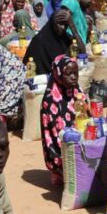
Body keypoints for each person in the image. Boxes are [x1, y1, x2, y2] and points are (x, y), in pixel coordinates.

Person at [41, 55, 81, 186]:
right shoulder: (50, 100)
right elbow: (54, 136)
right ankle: (59, 171)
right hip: (62, 145)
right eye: (69, 74)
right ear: (58, 74)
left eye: (76, 73)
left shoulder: (77, 92)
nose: (74, 77)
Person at [23, 9, 73, 75]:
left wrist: (72, 27)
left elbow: (82, 54)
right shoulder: (39, 41)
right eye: (60, 24)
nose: (63, 27)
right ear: (52, 22)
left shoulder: (65, 37)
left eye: (66, 25)